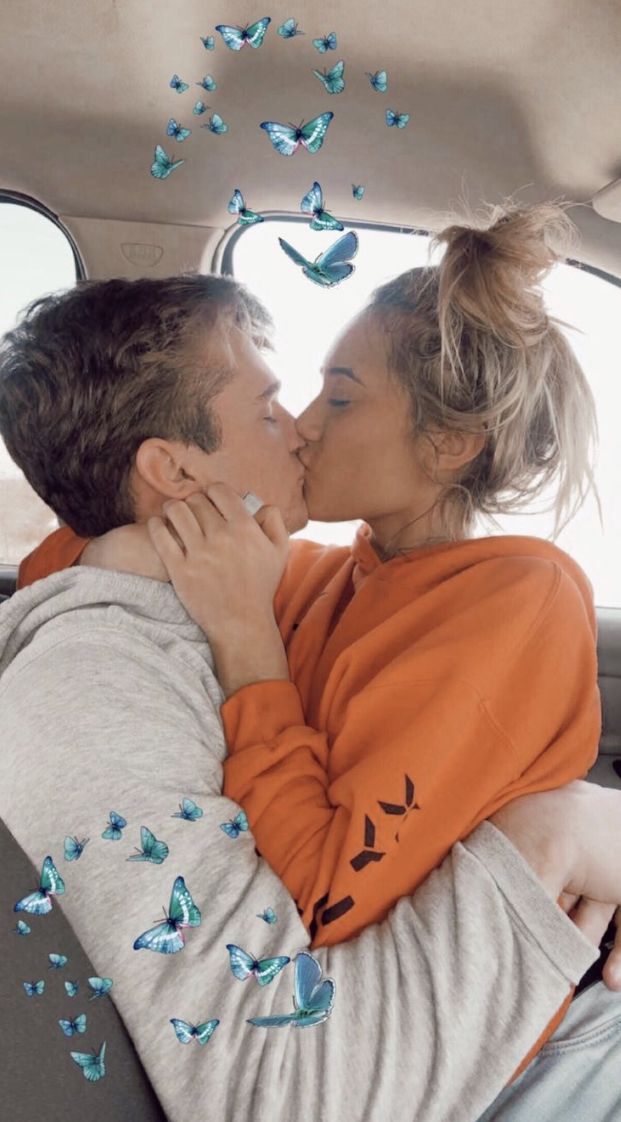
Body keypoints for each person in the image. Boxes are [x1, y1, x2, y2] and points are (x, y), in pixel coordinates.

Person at [1, 266, 619, 1122]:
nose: (299, 429)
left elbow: (324, 898)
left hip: (513, 1026)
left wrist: (241, 629)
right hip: (463, 1044)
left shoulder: (510, 596)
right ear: (173, 469)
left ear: (448, 445)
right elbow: (77, 541)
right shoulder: (318, 578)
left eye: (338, 399)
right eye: (274, 408)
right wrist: (181, 567)